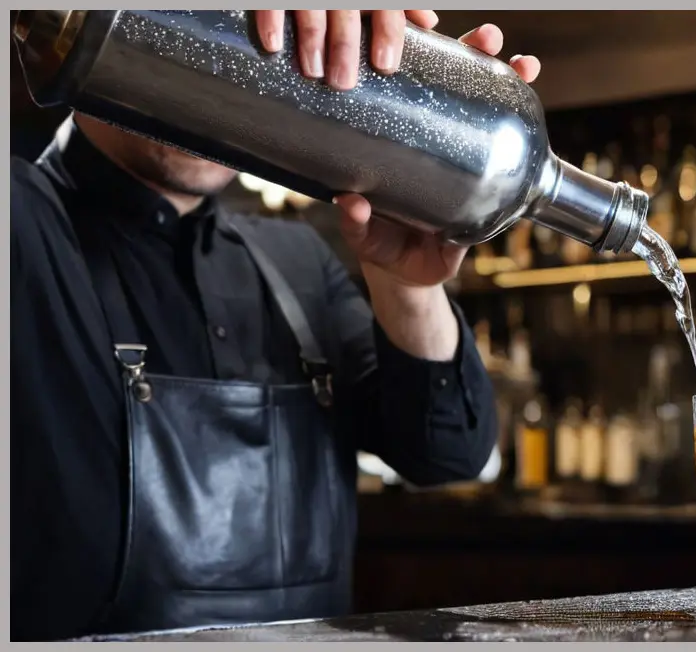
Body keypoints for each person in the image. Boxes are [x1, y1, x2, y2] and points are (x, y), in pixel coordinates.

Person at [9, 10, 542, 641]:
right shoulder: (20, 226)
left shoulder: (297, 263)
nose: (214, 61)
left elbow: (446, 455)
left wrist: (409, 283)